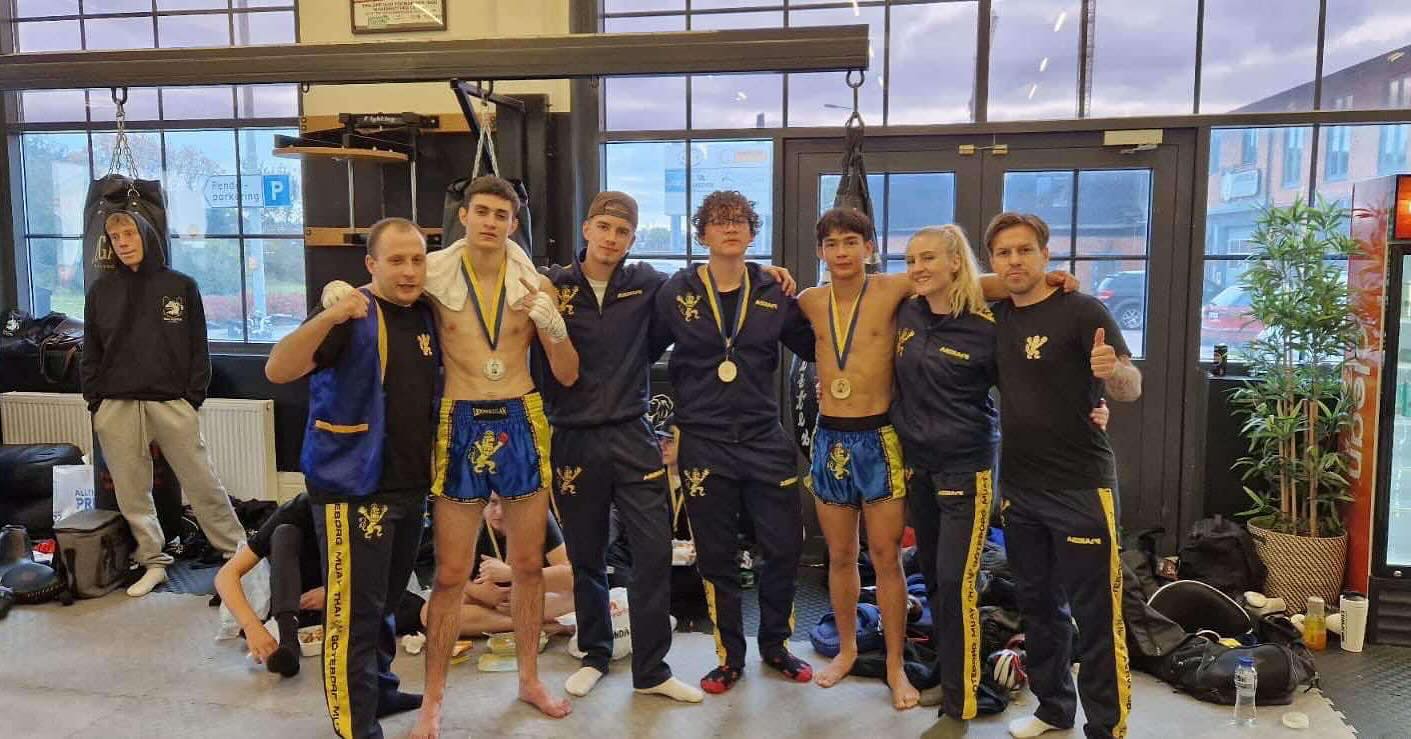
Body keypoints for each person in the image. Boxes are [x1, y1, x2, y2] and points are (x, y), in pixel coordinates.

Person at [795, 210, 1077, 710]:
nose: (841, 252)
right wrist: (770, 273)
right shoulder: (808, 300)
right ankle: (847, 650)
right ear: (820, 251)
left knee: (887, 557)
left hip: (882, 438)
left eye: (851, 241)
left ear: (869, 248)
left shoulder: (894, 290)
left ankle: (896, 665)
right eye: (831, 244)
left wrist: (1043, 279)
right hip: (830, 438)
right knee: (839, 556)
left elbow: (969, 282)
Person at [892, 225, 1108, 722]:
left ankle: (961, 701)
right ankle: (949, 672)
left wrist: (1094, 403)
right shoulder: (906, 310)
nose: (917, 268)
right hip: (918, 466)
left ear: (955, 262)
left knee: (956, 581)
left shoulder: (987, 325)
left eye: (928, 258)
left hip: (967, 467)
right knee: (934, 578)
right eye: (910, 260)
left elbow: (1038, 380)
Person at [412, 175, 579, 732]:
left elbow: (567, 373)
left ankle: (530, 679)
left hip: (520, 416)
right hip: (458, 418)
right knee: (450, 572)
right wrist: (346, 294)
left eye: (500, 215)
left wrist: (554, 328)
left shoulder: (535, 283)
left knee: (529, 565)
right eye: (480, 211)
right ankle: (433, 697)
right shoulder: (432, 275)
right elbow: (384, 289)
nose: (489, 222)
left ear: (513, 223)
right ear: (463, 215)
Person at [264, 217, 439, 739]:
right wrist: (329, 314)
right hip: (352, 487)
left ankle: (379, 691)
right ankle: (355, 727)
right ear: (371, 264)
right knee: (353, 616)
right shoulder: (349, 312)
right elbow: (278, 368)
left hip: (409, 484)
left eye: (417, 259)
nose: (409, 271)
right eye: (396, 260)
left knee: (386, 603)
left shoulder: (426, 312)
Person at [534, 191, 702, 703]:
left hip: (633, 433)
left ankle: (652, 670)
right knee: (587, 554)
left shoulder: (647, 283)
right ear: (587, 228)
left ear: (632, 238)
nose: (611, 238)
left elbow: (702, 287)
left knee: (653, 552)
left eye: (622, 231)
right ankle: (595, 654)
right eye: (604, 227)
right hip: (574, 436)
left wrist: (769, 274)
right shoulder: (553, 285)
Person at [650, 190, 816, 695]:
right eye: (719, 220)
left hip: (764, 438)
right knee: (716, 556)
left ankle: (776, 645)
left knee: (783, 548)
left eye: (740, 220)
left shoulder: (772, 289)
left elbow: (817, 344)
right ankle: (729, 657)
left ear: (752, 231)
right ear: (702, 232)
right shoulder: (676, 291)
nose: (730, 227)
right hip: (704, 442)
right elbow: (638, 352)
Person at [983, 212, 1141, 739]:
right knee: (1038, 608)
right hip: (1020, 488)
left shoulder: (1083, 311)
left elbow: (1131, 386)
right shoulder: (996, 317)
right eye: (1004, 253)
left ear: (1046, 255)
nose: (1015, 261)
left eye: (1025, 250)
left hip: (1081, 486)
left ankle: (1107, 727)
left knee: (1096, 615)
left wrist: (1112, 372)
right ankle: (1053, 709)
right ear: (993, 261)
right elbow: (948, 284)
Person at [81, 210, 246, 597]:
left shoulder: (181, 286)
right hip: (116, 404)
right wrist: (95, 400)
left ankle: (239, 556)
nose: (123, 242)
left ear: (146, 235)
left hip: (172, 402)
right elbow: (91, 349)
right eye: (115, 237)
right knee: (131, 491)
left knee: (202, 481)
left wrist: (192, 397)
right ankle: (153, 561)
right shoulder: (101, 291)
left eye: (129, 234)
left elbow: (198, 347)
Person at [422, 494, 575, 637]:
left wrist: (512, 574)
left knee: (576, 597)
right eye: (493, 502)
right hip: (492, 603)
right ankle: (540, 627)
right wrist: (479, 592)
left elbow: (571, 576)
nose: (500, 512)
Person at [214, 492, 327, 678]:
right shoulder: (300, 508)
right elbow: (226, 575)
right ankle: (288, 639)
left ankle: (286, 631)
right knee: (284, 533)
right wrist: (252, 627)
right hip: (298, 602)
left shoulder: (367, 509)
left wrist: (336, 593)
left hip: (352, 597)